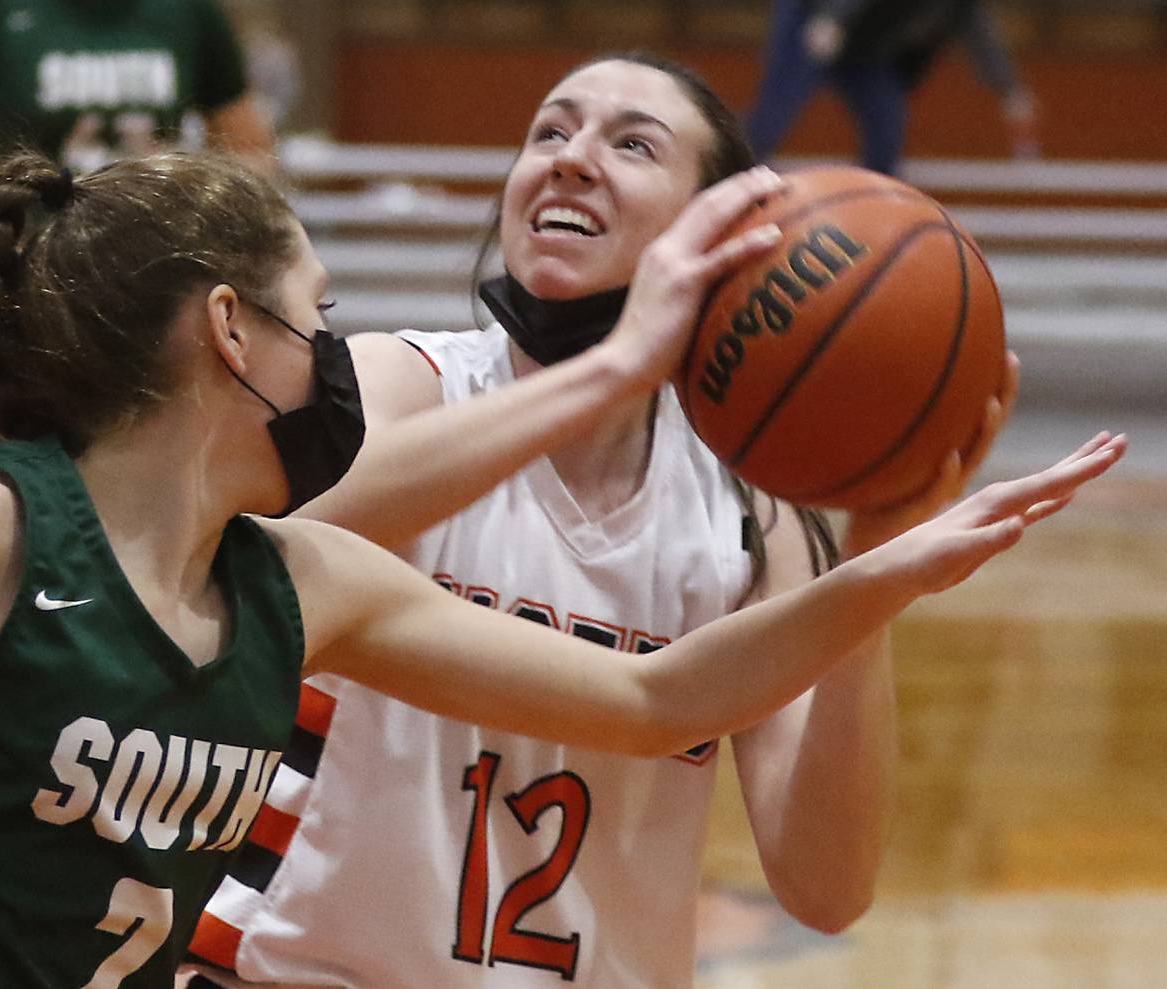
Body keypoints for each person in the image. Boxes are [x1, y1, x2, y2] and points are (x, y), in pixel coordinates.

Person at [0, 146, 1123, 986]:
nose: (337, 355)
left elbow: (661, 699)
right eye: (316, 319)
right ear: (230, 333)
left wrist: (888, 561)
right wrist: (629, 357)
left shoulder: (298, 585)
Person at [177, 53, 1062, 989]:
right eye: (549, 133)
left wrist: (869, 581)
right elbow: (242, 568)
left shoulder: (752, 518)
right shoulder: (397, 387)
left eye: (632, 143)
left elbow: (826, 887)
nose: (570, 158)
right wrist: (626, 361)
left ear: (720, 230)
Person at [0, 0, 278, 461]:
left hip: (139, 296)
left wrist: (195, 224)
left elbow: (252, 151)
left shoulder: (189, 14)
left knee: (138, 490)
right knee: (0, 494)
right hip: (10, 297)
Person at [745, 0, 1040, 175]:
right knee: (773, 117)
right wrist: (832, 19)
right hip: (812, 19)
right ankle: (732, 182)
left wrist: (1010, 91)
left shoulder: (959, 5)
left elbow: (980, 35)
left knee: (887, 129)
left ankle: (875, 216)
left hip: (864, 51)